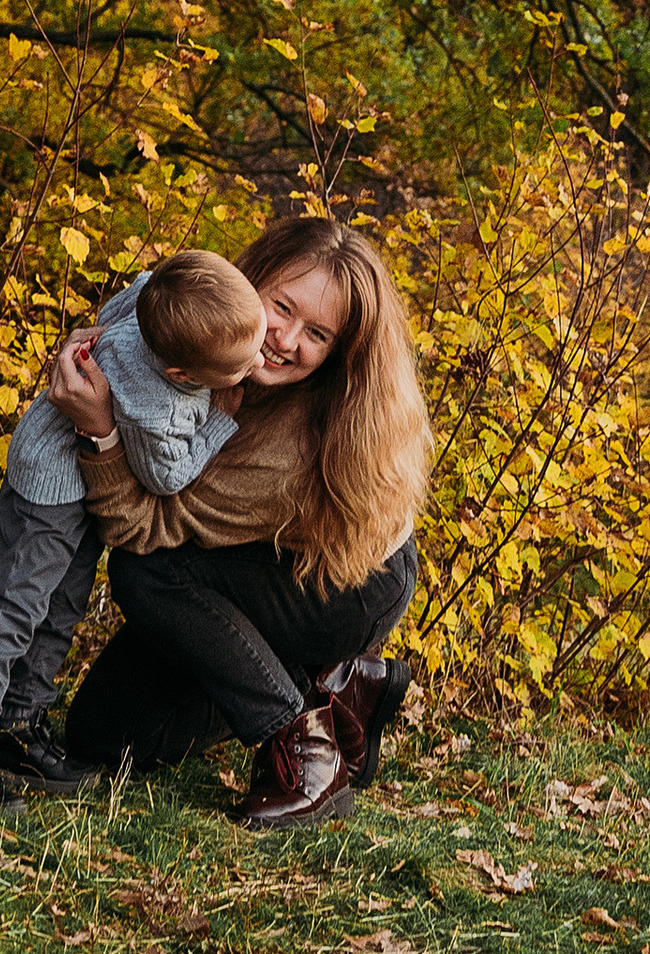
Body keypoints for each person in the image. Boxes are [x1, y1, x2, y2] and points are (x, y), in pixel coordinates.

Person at [49, 215, 431, 830]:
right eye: (281, 305)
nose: (285, 339)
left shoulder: (291, 448)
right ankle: (341, 687)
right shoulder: (216, 333)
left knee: (148, 576)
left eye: (318, 334)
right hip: (248, 562)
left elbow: (147, 529)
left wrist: (100, 432)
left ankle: (303, 746)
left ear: (337, 353)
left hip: (343, 586)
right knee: (104, 736)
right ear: (248, 280)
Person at [0, 245, 267, 803]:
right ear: (181, 373)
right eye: (238, 365)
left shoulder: (159, 302)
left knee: (61, 611)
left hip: (82, 488)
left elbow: (139, 286)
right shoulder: (157, 404)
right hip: (48, 490)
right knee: (17, 611)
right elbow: (166, 476)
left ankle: (19, 726)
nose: (254, 365)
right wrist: (220, 419)